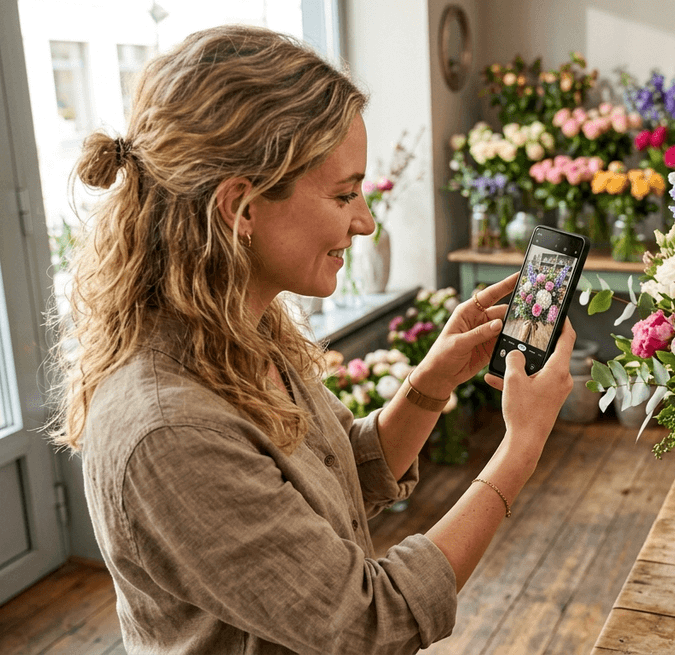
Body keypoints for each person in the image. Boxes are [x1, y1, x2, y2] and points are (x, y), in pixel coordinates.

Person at [48, 25, 574, 655]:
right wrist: (521, 447)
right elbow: (369, 623)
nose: (366, 220)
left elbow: (339, 471)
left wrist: (432, 381)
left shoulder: (240, 327)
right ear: (241, 207)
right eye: (345, 194)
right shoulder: (170, 431)